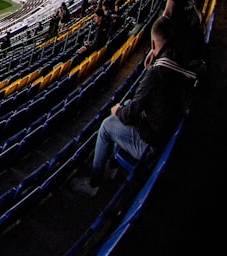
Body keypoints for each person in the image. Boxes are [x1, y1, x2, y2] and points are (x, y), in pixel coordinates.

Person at [71, 16, 199, 197]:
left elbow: (129, 115)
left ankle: (93, 184)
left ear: (153, 43)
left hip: (151, 144)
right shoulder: (180, 62)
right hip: (165, 130)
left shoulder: (156, 74)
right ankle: (113, 165)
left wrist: (118, 111)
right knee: (128, 105)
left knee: (108, 125)